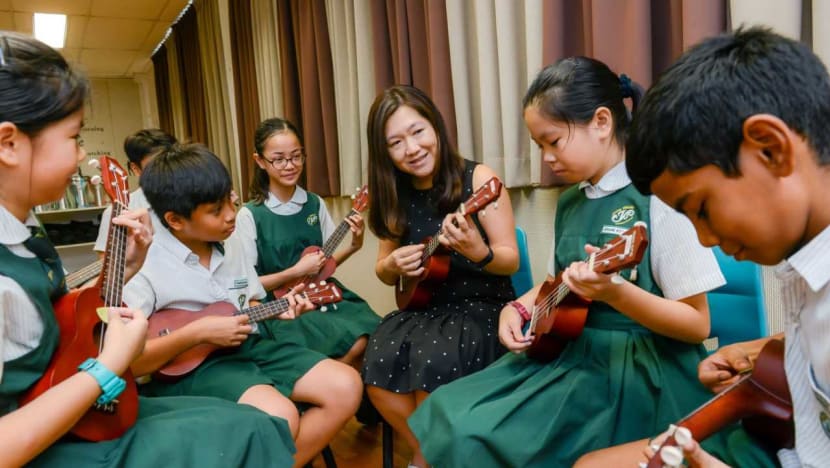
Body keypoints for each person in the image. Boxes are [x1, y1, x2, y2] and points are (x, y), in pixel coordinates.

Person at [408, 56, 729, 468]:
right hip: (569, 352)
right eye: (539, 146)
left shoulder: (658, 196)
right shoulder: (570, 201)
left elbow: (697, 324)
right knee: (448, 410)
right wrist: (518, 307)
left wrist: (617, 294)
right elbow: (556, 281)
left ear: (601, 122)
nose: (546, 157)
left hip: (639, 369)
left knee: (475, 435)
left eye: (554, 141)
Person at [0, 31, 295, 467]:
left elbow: (62, 333)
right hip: (44, 443)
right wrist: (108, 366)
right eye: (74, 138)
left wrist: (122, 274)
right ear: (9, 144)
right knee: (252, 434)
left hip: (73, 416)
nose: (82, 155)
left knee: (254, 424)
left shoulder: (25, 232)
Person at [576, 26, 830, 468]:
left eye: (702, 209)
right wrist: (760, 350)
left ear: (770, 149)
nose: (706, 239)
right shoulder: (806, 259)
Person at [123, 143, 362, 467]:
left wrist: (280, 308)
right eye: (215, 210)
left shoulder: (230, 239)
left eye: (230, 200)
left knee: (346, 386)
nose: (231, 215)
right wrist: (196, 333)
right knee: (279, 417)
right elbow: (132, 362)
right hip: (191, 370)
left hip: (248, 347)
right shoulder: (143, 260)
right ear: (175, 220)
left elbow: (248, 300)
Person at [363, 84, 519, 468]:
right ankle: (438, 455)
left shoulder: (478, 179)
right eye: (396, 143)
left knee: (433, 359)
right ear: (383, 152)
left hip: (481, 307)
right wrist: (393, 264)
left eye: (417, 132)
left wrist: (479, 252)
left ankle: (423, 460)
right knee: (377, 361)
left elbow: (510, 260)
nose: (412, 149)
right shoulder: (393, 193)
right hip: (423, 307)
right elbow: (383, 270)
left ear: (435, 125)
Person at [235, 117, 380, 370]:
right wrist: (295, 272)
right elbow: (248, 285)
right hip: (283, 308)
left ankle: (341, 384)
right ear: (260, 161)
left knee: (376, 333)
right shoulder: (250, 215)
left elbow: (322, 264)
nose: (290, 165)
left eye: (296, 156)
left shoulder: (314, 203)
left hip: (321, 292)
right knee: (355, 344)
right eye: (279, 159)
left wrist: (354, 246)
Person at [93, 128, 176, 258]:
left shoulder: (195, 199)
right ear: (136, 169)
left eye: (172, 162)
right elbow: (106, 264)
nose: (166, 170)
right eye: (155, 166)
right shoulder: (118, 212)